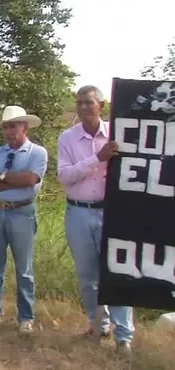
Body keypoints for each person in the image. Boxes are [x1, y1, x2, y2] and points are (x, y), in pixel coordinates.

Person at [58, 85, 133, 355]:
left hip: (112, 212)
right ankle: (97, 325)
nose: (83, 107)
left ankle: (124, 334)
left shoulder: (118, 135)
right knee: (88, 275)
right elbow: (65, 176)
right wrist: (97, 159)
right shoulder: (68, 138)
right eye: (79, 102)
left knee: (118, 274)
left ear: (101, 106)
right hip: (78, 211)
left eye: (89, 103)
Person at [0, 106, 48, 334]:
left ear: (24, 127)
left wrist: (0, 176)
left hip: (21, 212)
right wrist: (10, 181)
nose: (9, 131)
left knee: (24, 269)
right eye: (5, 127)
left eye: (13, 126)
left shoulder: (37, 153)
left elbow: (30, 179)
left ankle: (26, 318)